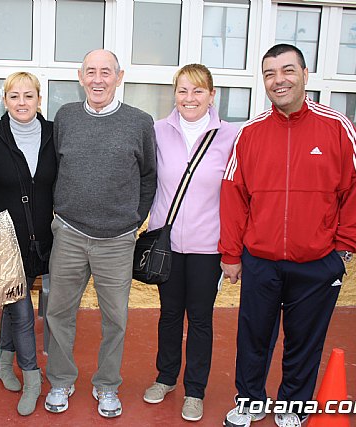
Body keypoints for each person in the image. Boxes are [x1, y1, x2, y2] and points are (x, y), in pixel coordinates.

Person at [220, 44, 356, 427]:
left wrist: (342, 253)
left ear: (305, 74)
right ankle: (251, 400)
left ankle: (292, 406)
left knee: (304, 342)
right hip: (261, 261)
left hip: (318, 263)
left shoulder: (337, 127)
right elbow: (233, 195)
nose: (278, 80)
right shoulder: (250, 133)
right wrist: (231, 254)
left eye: (287, 71)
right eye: (269, 74)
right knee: (253, 338)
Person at [43, 49, 157, 418]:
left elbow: (149, 176)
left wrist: (133, 219)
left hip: (117, 240)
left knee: (116, 319)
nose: (97, 79)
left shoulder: (139, 122)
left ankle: (107, 386)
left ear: (119, 77)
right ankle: (61, 379)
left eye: (105, 72)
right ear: (80, 76)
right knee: (59, 312)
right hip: (70, 234)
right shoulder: (66, 117)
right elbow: (57, 166)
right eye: (90, 72)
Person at [142, 64, 238, 422]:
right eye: (183, 91)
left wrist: (233, 249)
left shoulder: (231, 136)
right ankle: (165, 377)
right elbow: (145, 178)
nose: (189, 98)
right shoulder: (157, 131)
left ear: (212, 95)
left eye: (198, 91)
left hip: (207, 247)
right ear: (174, 95)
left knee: (199, 319)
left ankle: (194, 390)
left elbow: (238, 194)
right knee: (168, 315)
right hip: (166, 245)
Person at [0, 71, 56, 416]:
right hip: (2, 238)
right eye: (14, 96)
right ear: (5, 100)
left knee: (14, 304)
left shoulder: (55, 134)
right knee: (22, 310)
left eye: (29, 95)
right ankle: (31, 377)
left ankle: (2, 360)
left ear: (39, 100)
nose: (22, 102)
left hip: (41, 238)